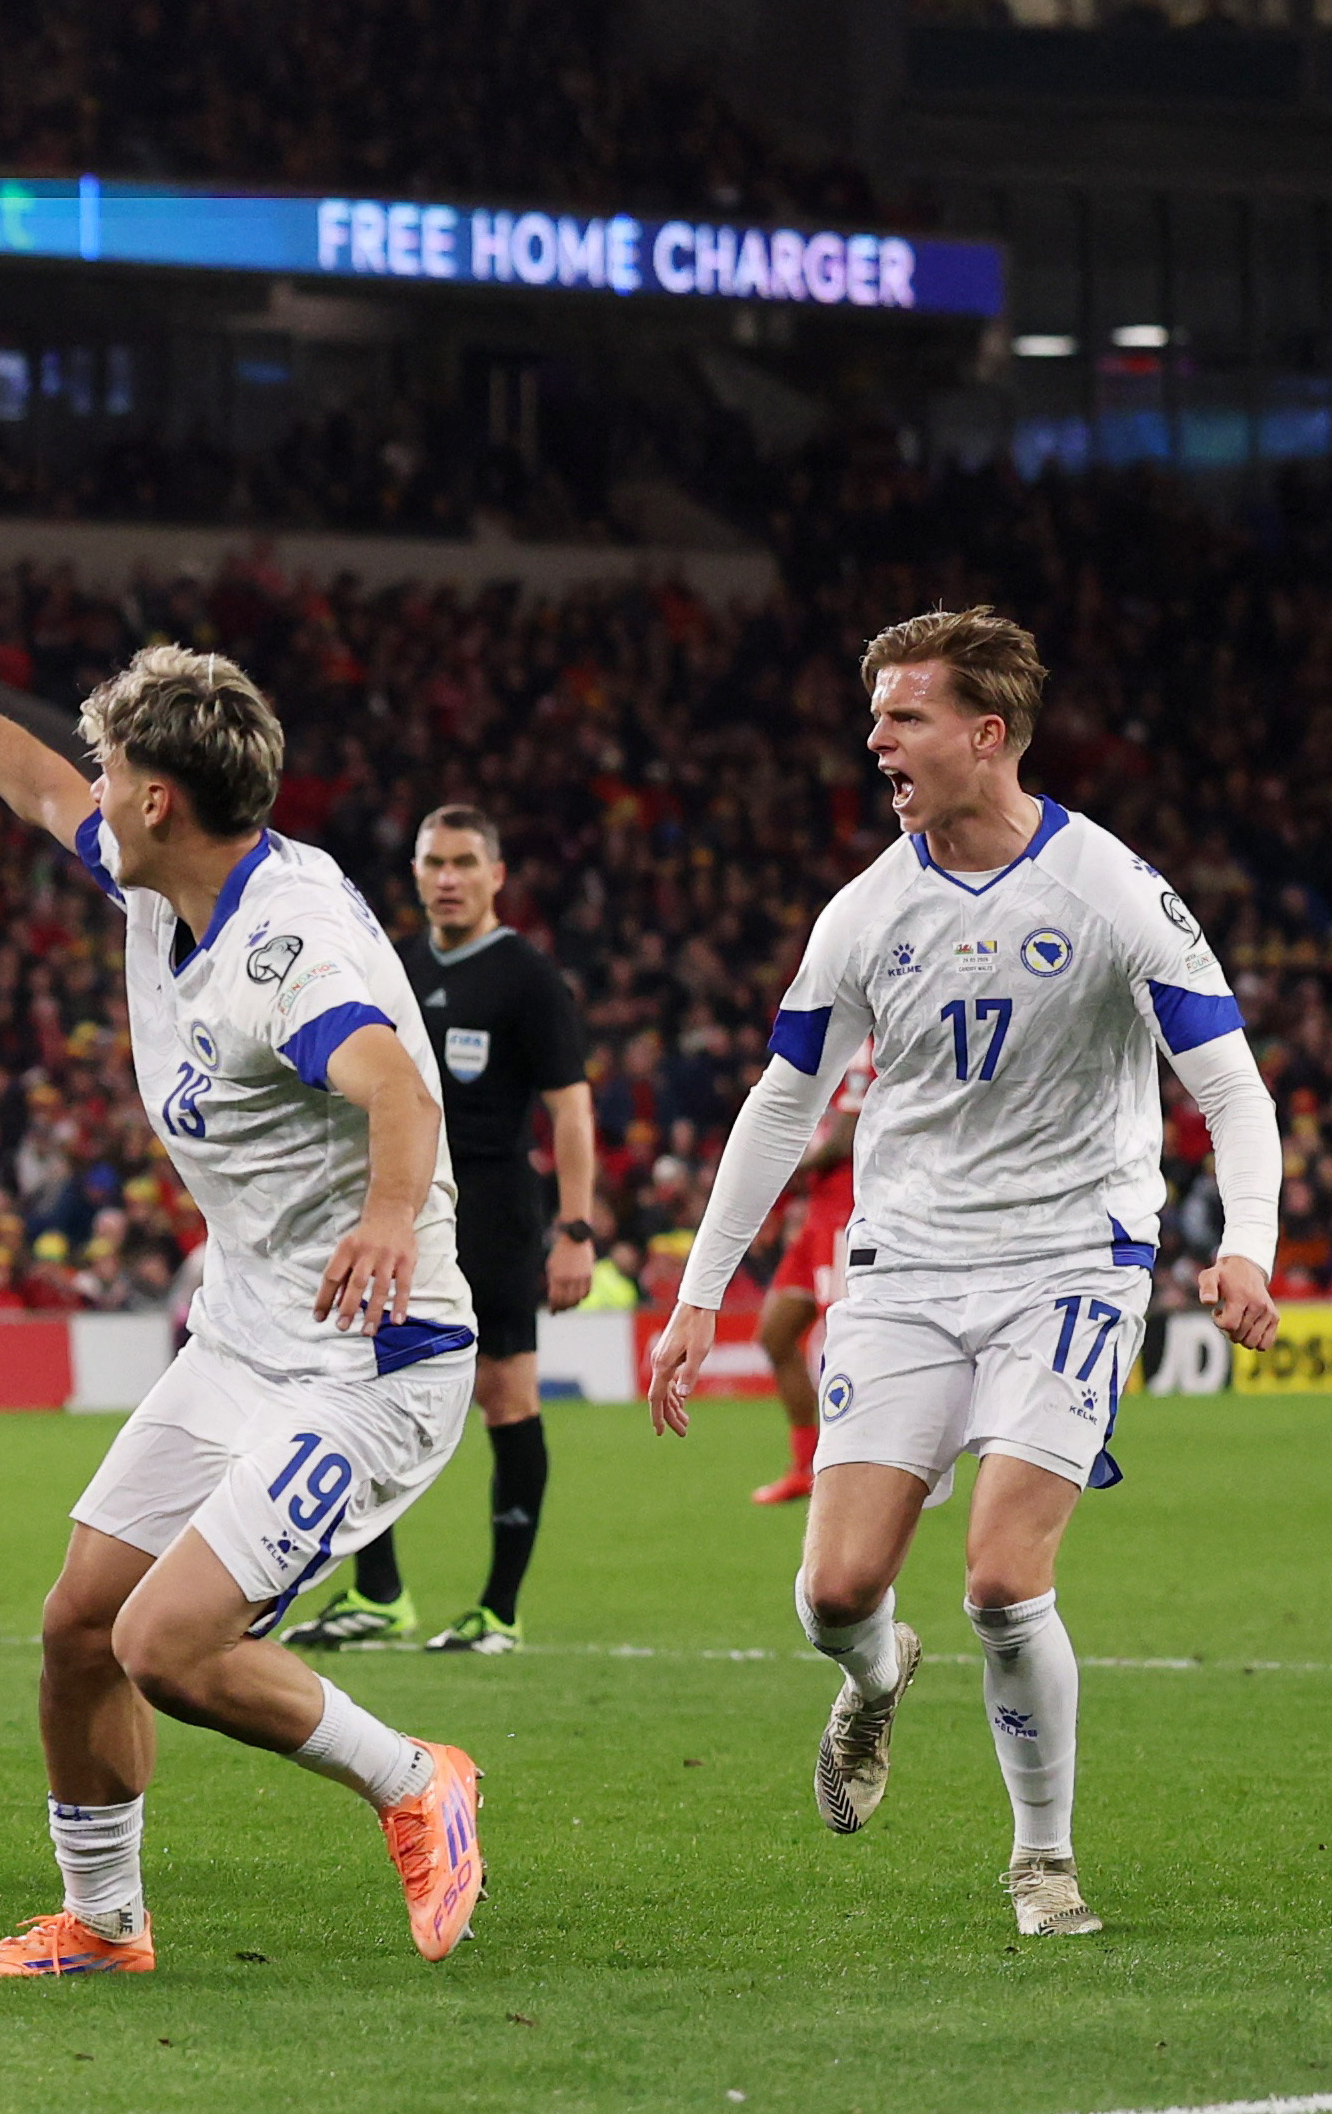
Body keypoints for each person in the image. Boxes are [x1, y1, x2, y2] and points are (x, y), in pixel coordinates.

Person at [0, 623, 486, 1979]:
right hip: (243, 1337)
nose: (88, 789)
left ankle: (416, 1779)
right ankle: (103, 1924)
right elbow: (43, 790)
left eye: (111, 768)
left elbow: (394, 1080)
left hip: (370, 1357)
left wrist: (390, 1215)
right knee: (74, 1627)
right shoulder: (171, 881)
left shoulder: (287, 943)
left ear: (160, 798)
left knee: (164, 1642)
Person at [649, 608, 1282, 1941]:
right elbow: (780, 1105)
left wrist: (1246, 1245)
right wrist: (701, 1290)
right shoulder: (863, 911)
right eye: (875, 714)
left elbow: (1228, 1085)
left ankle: (1040, 1862)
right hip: (903, 1270)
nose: (874, 739)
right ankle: (876, 1675)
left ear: (984, 734)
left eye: (903, 715)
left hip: (1072, 1260)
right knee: (830, 1595)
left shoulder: (1111, 890)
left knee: (1001, 1580)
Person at [290, 806, 594, 1654]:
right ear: (416, 872)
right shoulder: (397, 963)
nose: (448, 877)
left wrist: (576, 1226)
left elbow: (570, 1108)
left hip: (495, 1208)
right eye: (434, 862)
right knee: (357, 1380)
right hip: (402, 1208)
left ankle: (498, 1609)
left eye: (464, 861)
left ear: (496, 874)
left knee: (506, 1394)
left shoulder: (527, 977)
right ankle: (378, 1593)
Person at [748, 1046, 874, 1507]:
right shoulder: (830, 1054)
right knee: (776, 1336)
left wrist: (773, 1172)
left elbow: (841, 1142)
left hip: (848, 1213)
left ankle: (871, 1470)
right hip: (817, 1219)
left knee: (852, 1346)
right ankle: (805, 1467)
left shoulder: (868, 1049)